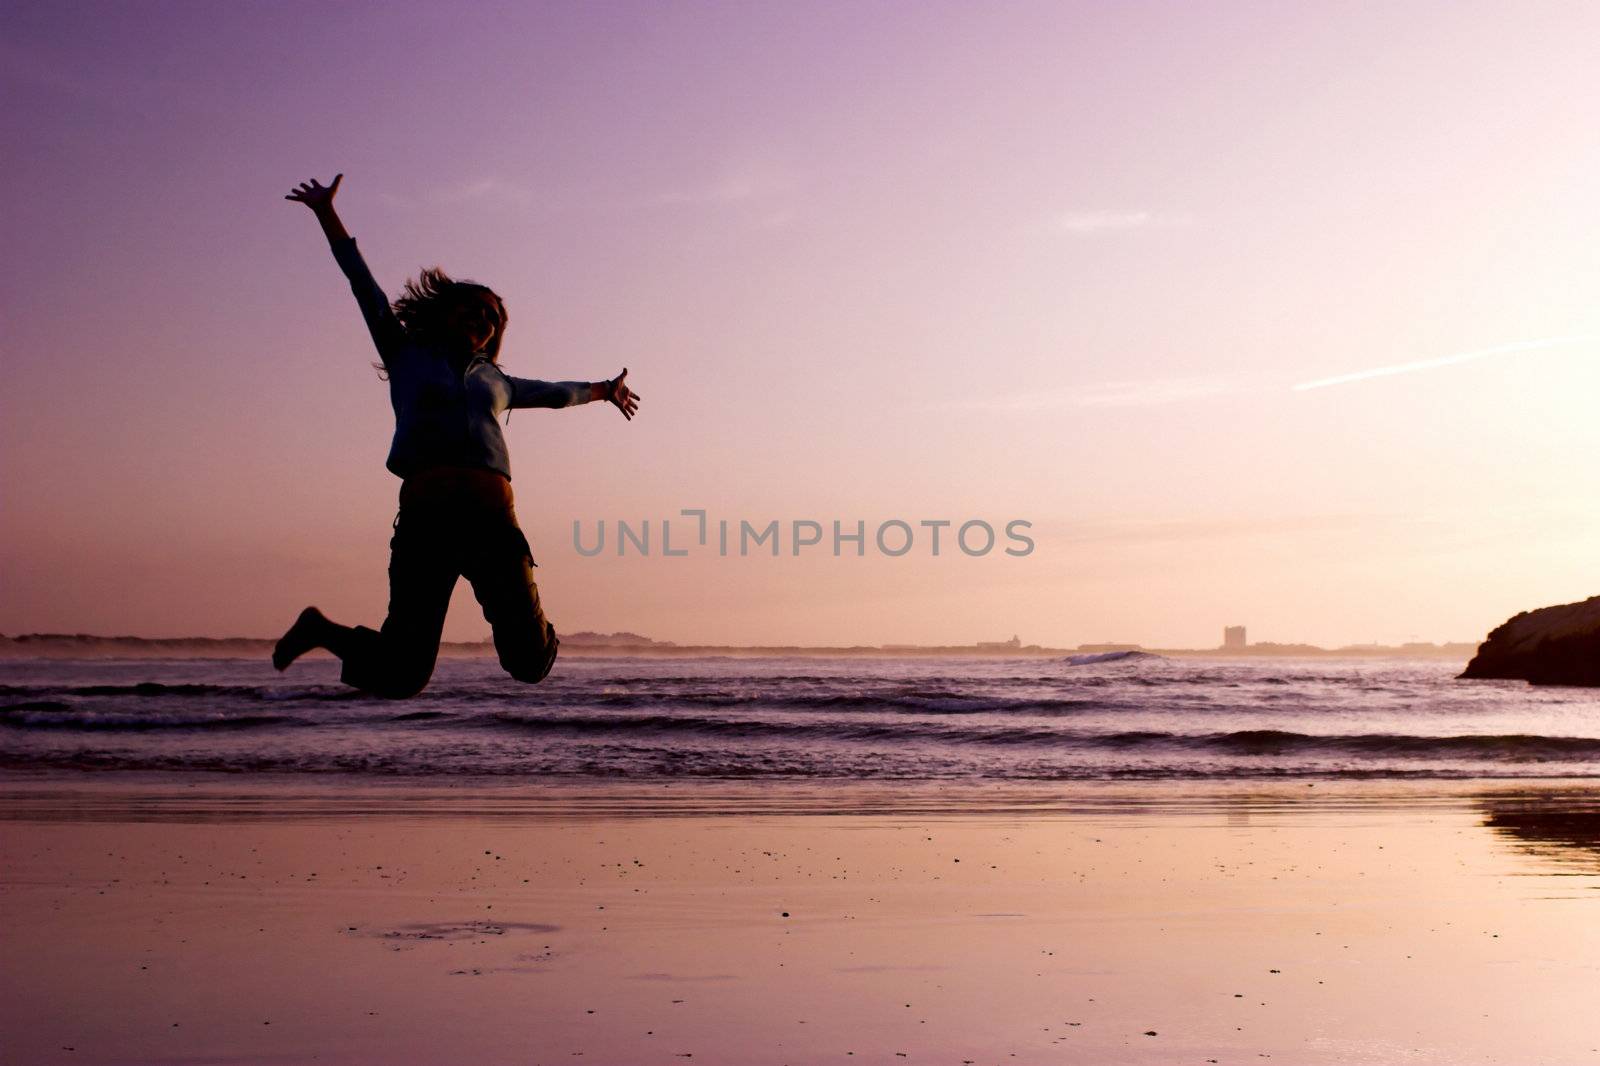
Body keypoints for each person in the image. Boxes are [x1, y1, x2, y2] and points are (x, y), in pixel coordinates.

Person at [271, 174, 639, 697]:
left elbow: (559, 393)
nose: (483, 319)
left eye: (492, 317)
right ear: (446, 310)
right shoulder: (405, 354)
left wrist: (605, 390)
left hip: (494, 525)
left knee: (531, 664)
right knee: (402, 675)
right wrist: (326, 213)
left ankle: (535, 623)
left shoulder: (497, 381)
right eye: (473, 307)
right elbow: (362, 285)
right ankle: (320, 629)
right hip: (427, 526)